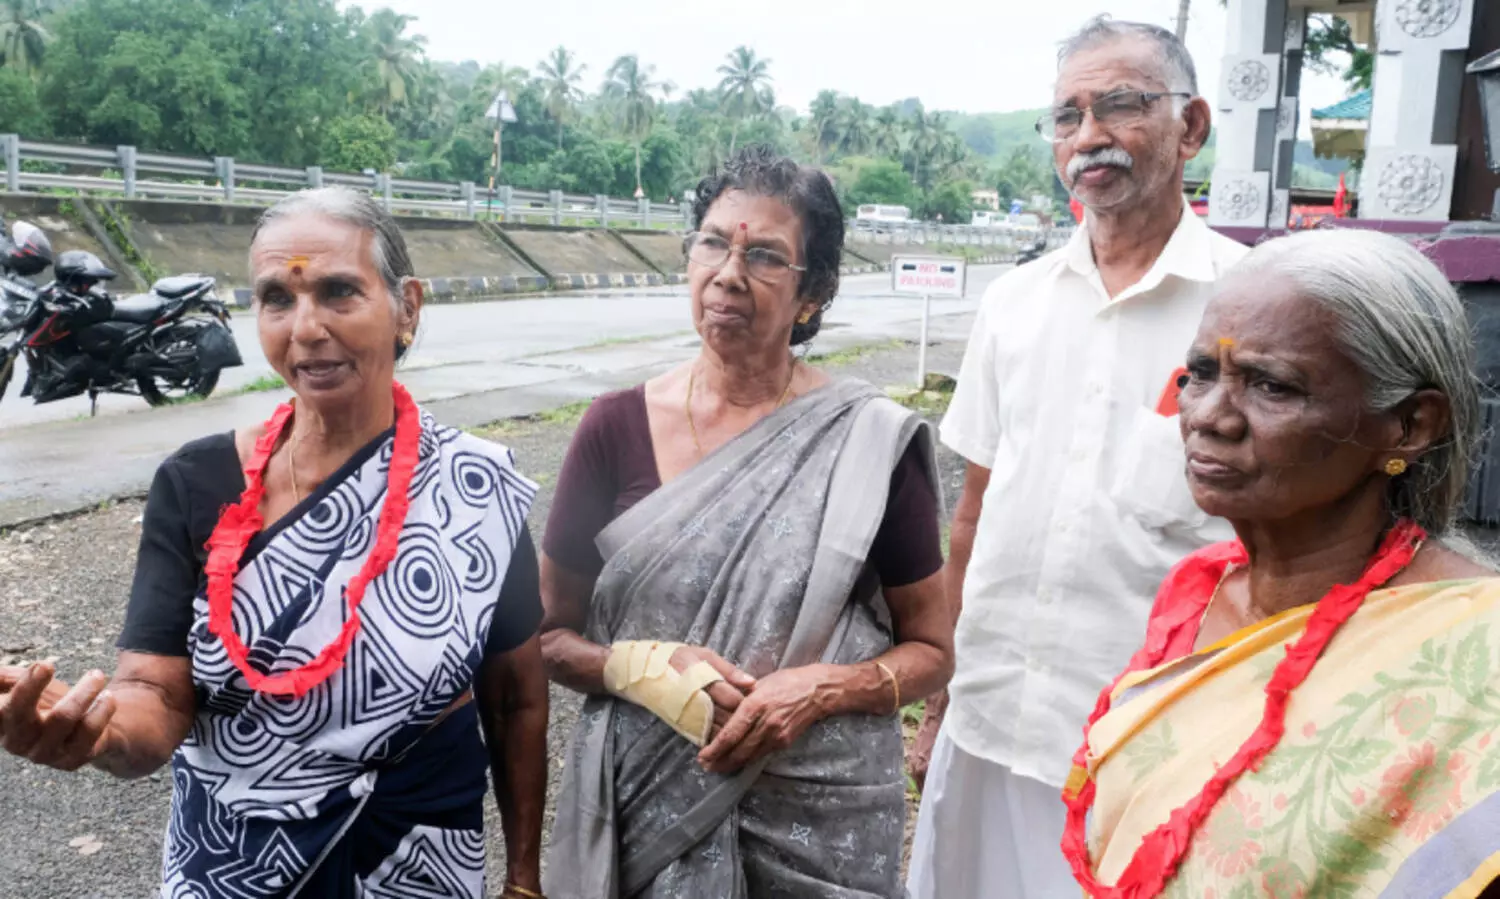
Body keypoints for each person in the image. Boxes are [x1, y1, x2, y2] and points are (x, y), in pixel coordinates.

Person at [0, 187, 550, 898]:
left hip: (421, 860)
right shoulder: (197, 481)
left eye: (339, 291)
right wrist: (97, 735)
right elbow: (154, 691)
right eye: (276, 299)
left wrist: (525, 880)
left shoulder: (473, 487)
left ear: (407, 306)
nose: (306, 327)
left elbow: (514, 698)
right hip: (236, 866)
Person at [540, 145, 954, 898]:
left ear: (813, 292)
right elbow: (550, 638)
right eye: (712, 243)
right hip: (646, 816)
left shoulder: (866, 442)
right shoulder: (613, 428)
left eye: (765, 255)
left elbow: (932, 649)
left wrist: (825, 690)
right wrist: (638, 670)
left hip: (819, 827)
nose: (728, 274)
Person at [906, 15, 1250, 898]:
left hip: (1156, 742)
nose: (1088, 136)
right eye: (1066, 116)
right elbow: (975, 511)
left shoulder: (1249, 308)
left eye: (1121, 105)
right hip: (989, 721)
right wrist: (941, 689)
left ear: (1192, 126)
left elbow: (1281, 541)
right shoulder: (1014, 304)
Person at [1065, 228, 1500, 898]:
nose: (1210, 416)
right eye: (1199, 374)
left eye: (1271, 385)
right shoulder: (1201, 591)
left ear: (1410, 426)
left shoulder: (1477, 656)